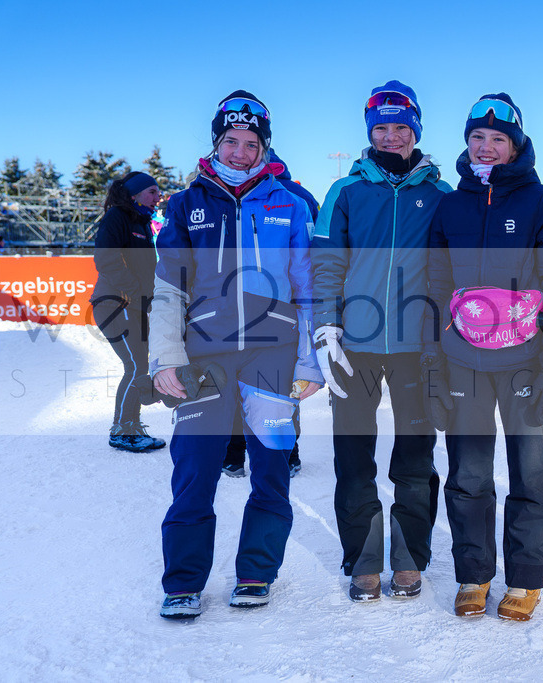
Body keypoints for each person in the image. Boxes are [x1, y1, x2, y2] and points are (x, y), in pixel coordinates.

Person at [149, 90, 323, 619]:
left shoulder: (291, 203)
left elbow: (307, 287)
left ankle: (255, 573)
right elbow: (168, 289)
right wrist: (165, 357)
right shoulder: (186, 205)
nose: (240, 151)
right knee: (195, 470)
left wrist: (309, 361)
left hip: (272, 357)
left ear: (264, 147)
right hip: (204, 356)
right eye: (231, 140)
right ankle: (183, 583)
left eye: (251, 143)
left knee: (270, 470)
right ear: (216, 142)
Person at [424, 93, 543, 621]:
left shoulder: (540, 201)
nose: (486, 147)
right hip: (462, 359)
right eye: (477, 138)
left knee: (530, 473)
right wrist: (431, 366)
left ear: (515, 146)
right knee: (468, 475)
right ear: (467, 143)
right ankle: (474, 574)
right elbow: (435, 285)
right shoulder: (451, 204)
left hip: (525, 360)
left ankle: (526, 579)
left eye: (498, 139)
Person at [311, 80, 450, 602]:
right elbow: (325, 264)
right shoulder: (345, 193)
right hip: (356, 345)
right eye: (381, 128)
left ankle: (410, 556)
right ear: (369, 132)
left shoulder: (439, 195)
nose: (391, 136)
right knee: (354, 456)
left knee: (415, 457)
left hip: (418, 348)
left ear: (415, 131)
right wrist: (327, 325)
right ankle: (363, 558)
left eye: (401, 127)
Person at [222, 147, 320, 478]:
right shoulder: (301, 195)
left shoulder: (292, 199)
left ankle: (236, 454)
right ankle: (286, 452)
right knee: (281, 384)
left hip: (256, 307)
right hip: (282, 309)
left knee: (243, 384)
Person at [90, 172, 165, 452]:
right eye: (152, 192)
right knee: (135, 366)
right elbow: (106, 259)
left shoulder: (143, 224)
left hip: (133, 304)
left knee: (139, 366)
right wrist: (135, 292)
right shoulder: (118, 217)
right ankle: (122, 430)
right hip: (114, 303)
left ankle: (131, 426)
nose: (158, 197)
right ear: (134, 195)